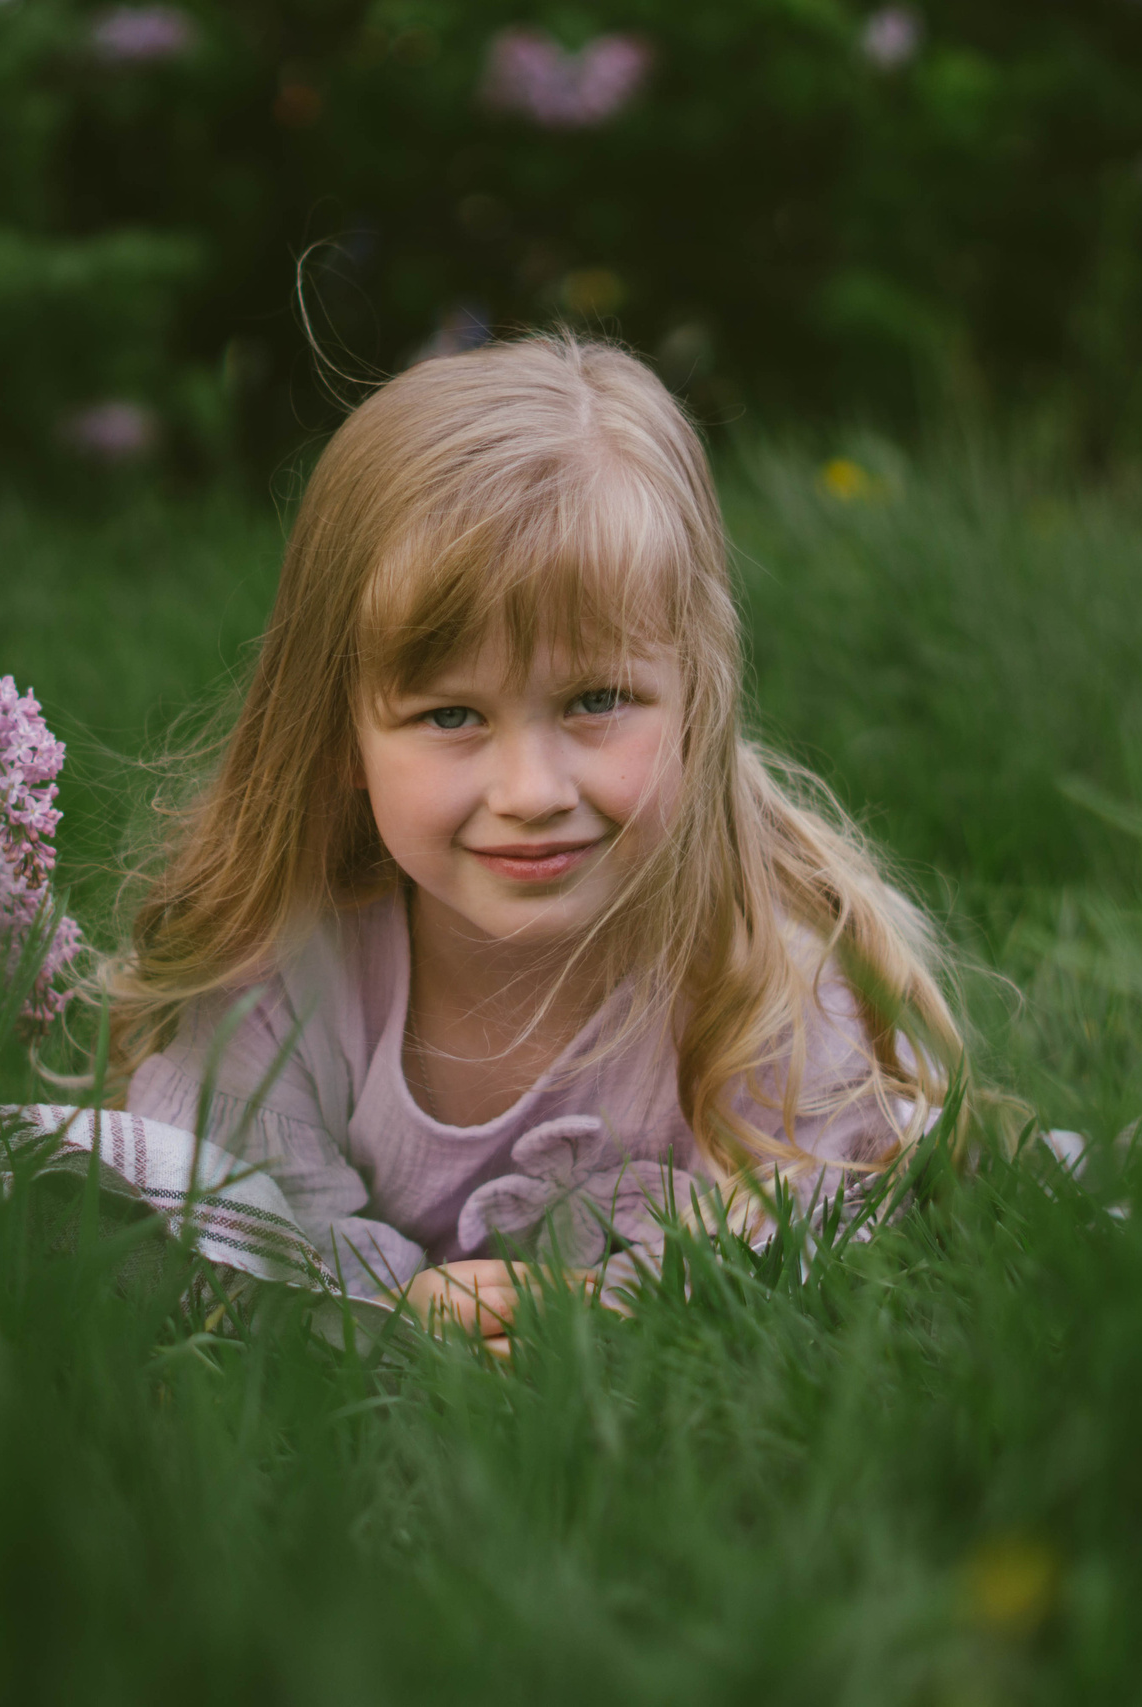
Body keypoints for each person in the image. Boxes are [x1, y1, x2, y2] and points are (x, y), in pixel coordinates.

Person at [106, 332, 984, 1351]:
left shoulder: (759, 977)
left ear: (697, 697)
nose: (530, 792)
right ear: (339, 732)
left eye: (596, 701)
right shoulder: (281, 983)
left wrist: (619, 1317)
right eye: (449, 717)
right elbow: (211, 1228)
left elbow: (810, 1231)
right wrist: (384, 1318)